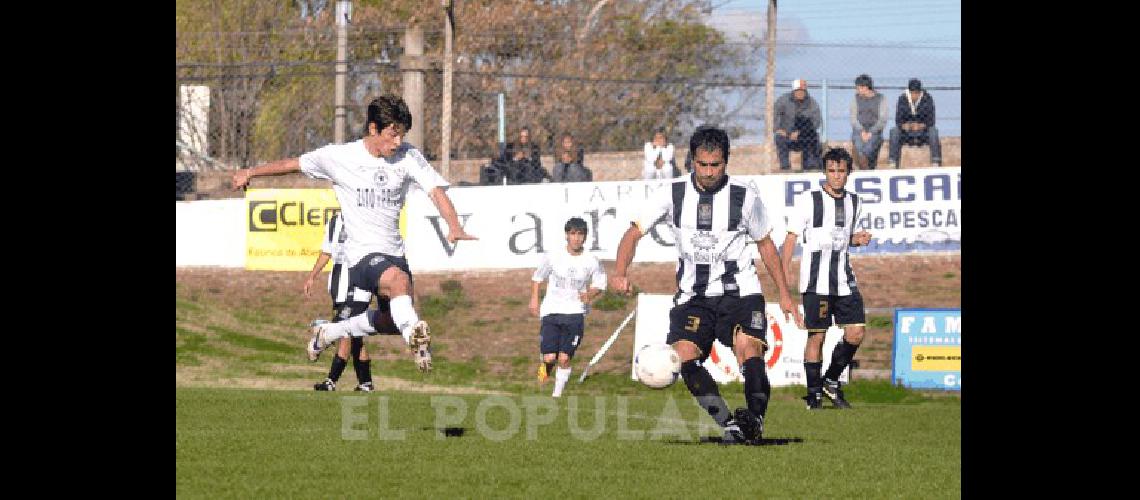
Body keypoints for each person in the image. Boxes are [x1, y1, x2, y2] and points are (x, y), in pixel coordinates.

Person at [231, 93, 477, 373]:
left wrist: (454, 225)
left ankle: (331, 332)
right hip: (361, 257)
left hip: (395, 253)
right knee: (398, 286)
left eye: (402, 136)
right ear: (373, 129)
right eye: (392, 135)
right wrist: (250, 172)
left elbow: (435, 191)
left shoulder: (408, 156)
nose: (397, 143)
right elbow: (293, 164)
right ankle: (416, 340)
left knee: (391, 320)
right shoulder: (339, 157)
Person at [610, 126, 803, 445]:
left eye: (716, 165)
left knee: (749, 349)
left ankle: (754, 419)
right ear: (691, 162)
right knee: (683, 357)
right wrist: (619, 271)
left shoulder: (745, 197)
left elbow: (766, 246)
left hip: (739, 292)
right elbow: (633, 233)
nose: (710, 172)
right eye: (703, 165)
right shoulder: (671, 194)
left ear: (726, 162)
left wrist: (784, 294)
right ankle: (729, 424)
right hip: (693, 297)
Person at [780, 147, 872, 410]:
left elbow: (841, 239)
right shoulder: (808, 200)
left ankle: (830, 381)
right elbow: (790, 241)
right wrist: (783, 281)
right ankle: (813, 394)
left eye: (841, 171)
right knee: (817, 336)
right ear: (825, 172)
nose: (836, 176)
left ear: (848, 173)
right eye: (831, 171)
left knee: (856, 332)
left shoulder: (855, 202)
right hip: (815, 281)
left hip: (844, 278)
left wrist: (857, 240)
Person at [304, 212, 401, 391]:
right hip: (338, 286)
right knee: (355, 336)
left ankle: (331, 380)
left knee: (345, 330)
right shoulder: (333, 221)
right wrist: (312, 276)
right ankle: (365, 383)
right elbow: (327, 251)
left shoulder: (365, 217)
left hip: (358, 286)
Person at [529, 217, 607, 397]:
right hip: (551, 311)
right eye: (573, 234)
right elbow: (537, 278)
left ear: (585, 237)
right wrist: (534, 300)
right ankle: (541, 380)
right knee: (549, 358)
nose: (577, 238)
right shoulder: (553, 256)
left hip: (575, 313)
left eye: (580, 234)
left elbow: (600, 283)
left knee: (564, 358)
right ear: (566, 235)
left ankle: (556, 396)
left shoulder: (591, 260)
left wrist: (589, 294)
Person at [888, 78, 942, 168]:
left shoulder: (927, 98)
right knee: (894, 131)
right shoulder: (902, 98)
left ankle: (935, 161)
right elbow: (898, 120)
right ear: (909, 91)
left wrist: (922, 125)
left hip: (923, 131)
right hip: (906, 132)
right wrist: (906, 125)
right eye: (912, 93)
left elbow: (931, 119)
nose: (914, 95)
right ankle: (893, 162)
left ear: (920, 92)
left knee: (933, 131)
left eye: (917, 93)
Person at [773, 79, 823, 170]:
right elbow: (773, 115)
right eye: (798, 91)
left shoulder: (812, 103)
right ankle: (785, 168)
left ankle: (809, 167)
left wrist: (801, 132)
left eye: (803, 91)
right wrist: (778, 129)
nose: (801, 93)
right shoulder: (783, 100)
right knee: (779, 138)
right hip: (786, 134)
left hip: (804, 135)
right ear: (793, 91)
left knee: (813, 139)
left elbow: (816, 122)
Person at [849, 74, 888, 170]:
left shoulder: (881, 99)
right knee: (859, 147)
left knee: (869, 148)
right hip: (859, 130)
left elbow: (883, 119)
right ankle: (865, 169)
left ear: (865, 87)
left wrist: (871, 131)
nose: (857, 90)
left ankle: (865, 169)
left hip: (875, 130)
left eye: (858, 88)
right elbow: (853, 119)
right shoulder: (855, 98)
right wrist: (862, 131)